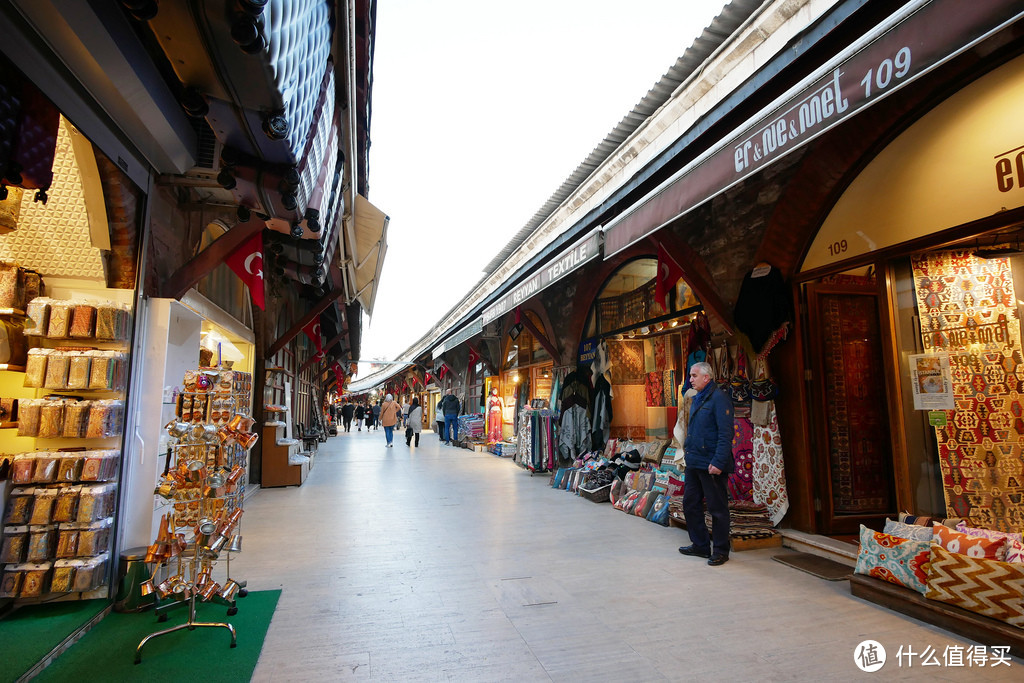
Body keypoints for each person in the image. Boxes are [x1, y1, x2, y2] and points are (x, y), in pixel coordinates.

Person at [678, 361, 734, 566]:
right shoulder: (697, 397)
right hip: (695, 461)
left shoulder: (719, 398)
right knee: (690, 504)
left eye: (693, 375)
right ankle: (700, 545)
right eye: (690, 375)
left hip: (711, 463)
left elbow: (726, 433)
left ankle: (720, 550)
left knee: (717, 508)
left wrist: (718, 461)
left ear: (706, 377)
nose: (690, 379)